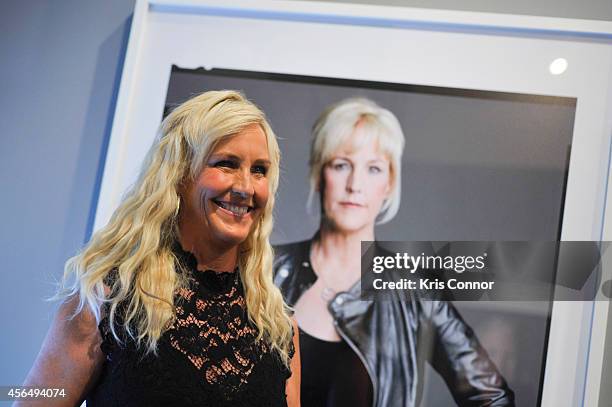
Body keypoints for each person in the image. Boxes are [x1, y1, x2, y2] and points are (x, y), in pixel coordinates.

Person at [19, 90, 300, 407]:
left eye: (259, 170)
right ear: (180, 173)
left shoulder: (276, 325)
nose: (246, 187)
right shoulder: (107, 298)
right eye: (227, 164)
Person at [273, 97, 514, 407]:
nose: (355, 184)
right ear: (320, 173)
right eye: (341, 164)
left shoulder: (416, 291)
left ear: (389, 184)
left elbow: (493, 399)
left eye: (373, 168)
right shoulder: (264, 270)